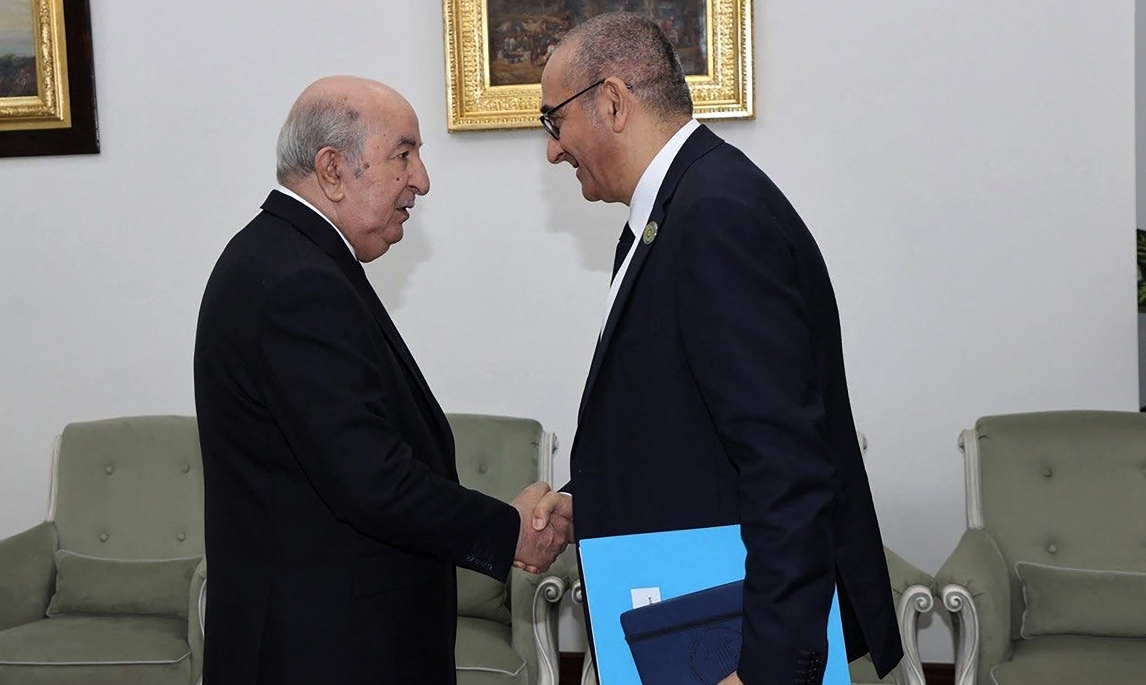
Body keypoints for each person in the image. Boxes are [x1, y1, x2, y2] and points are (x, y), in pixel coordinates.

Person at [529, 13, 903, 685]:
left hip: (735, 645)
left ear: (612, 102)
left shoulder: (715, 215)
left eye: (554, 122)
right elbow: (683, 420)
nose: (553, 151)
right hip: (690, 616)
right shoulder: (673, 210)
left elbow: (784, 463)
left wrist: (766, 670)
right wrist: (585, 497)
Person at [193, 76, 566, 685]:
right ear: (334, 169)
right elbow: (370, 481)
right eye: (403, 154)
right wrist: (509, 532)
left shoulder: (290, 258)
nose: (421, 179)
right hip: (326, 652)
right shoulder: (299, 283)